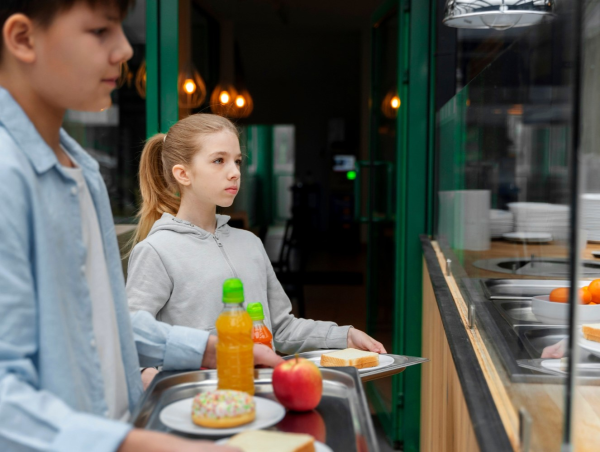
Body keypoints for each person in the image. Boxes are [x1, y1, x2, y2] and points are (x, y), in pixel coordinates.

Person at [0, 1, 282, 451]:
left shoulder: (82, 170)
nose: (125, 50)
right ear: (22, 39)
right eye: (99, 31)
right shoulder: (7, 175)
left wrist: (210, 349)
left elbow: (107, 326)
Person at [125, 113, 387, 356]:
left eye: (237, 161)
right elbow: (135, 340)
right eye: (219, 160)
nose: (235, 172)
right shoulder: (156, 251)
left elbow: (280, 328)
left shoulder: (249, 243)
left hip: (261, 397)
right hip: (201, 401)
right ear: (183, 174)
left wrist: (345, 336)